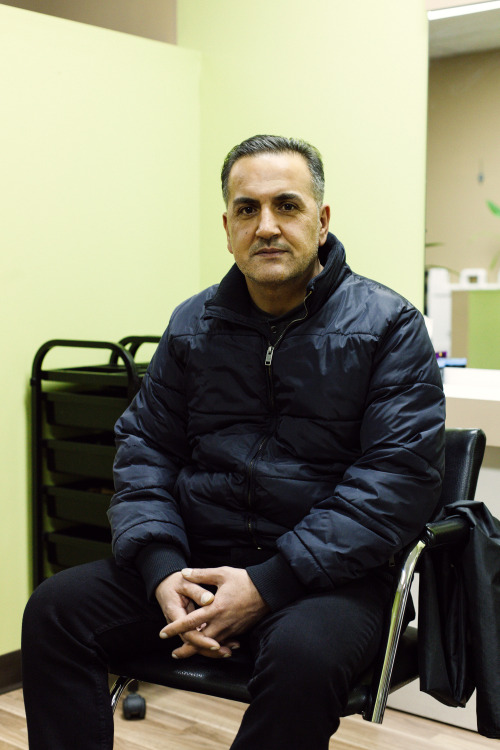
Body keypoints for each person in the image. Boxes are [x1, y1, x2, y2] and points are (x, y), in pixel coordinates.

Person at [22, 134, 445, 749]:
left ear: (321, 221)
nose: (266, 226)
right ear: (227, 227)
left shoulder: (389, 326)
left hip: (333, 581)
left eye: (287, 206)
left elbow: (396, 481)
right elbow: (144, 450)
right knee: (57, 610)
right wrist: (164, 571)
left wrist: (269, 584)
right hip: (199, 558)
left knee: (302, 655)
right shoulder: (192, 325)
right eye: (247, 210)